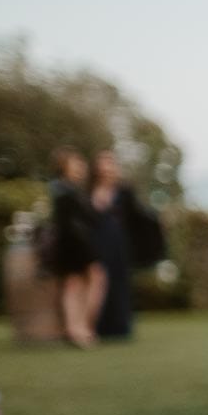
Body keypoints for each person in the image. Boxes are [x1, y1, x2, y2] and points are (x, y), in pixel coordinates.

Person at [86, 150, 163, 342]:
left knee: (119, 282)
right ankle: (97, 326)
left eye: (110, 164)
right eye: (103, 165)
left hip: (119, 242)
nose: (107, 169)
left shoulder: (123, 191)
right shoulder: (89, 191)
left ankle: (119, 328)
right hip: (97, 241)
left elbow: (137, 215)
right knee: (98, 282)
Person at [45, 148, 101, 349]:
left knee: (74, 284)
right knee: (88, 279)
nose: (80, 166)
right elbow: (74, 221)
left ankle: (76, 329)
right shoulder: (65, 189)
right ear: (64, 165)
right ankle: (79, 328)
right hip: (74, 243)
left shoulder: (67, 188)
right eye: (76, 162)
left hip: (72, 242)